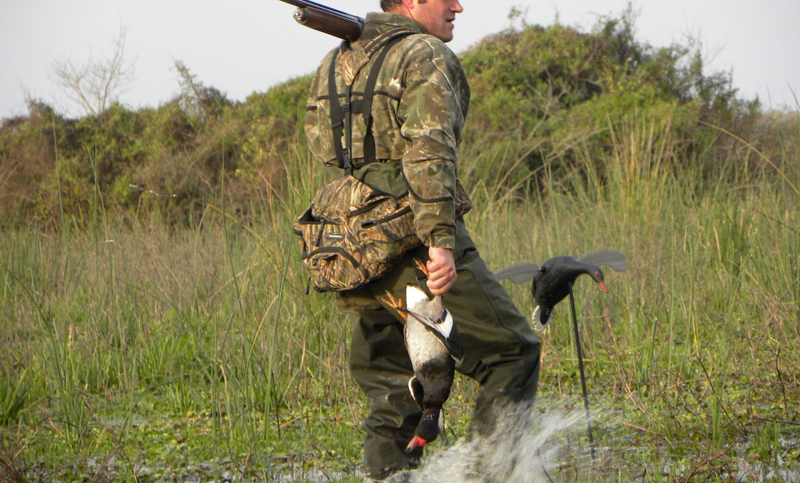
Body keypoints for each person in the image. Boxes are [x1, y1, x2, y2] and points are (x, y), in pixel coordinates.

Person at [303, 0, 541, 480]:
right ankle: (498, 475)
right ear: (410, 1)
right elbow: (429, 152)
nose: (458, 5)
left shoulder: (335, 61)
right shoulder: (424, 52)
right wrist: (439, 241)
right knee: (511, 353)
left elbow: (323, 144)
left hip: (347, 242)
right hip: (407, 230)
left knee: (393, 383)